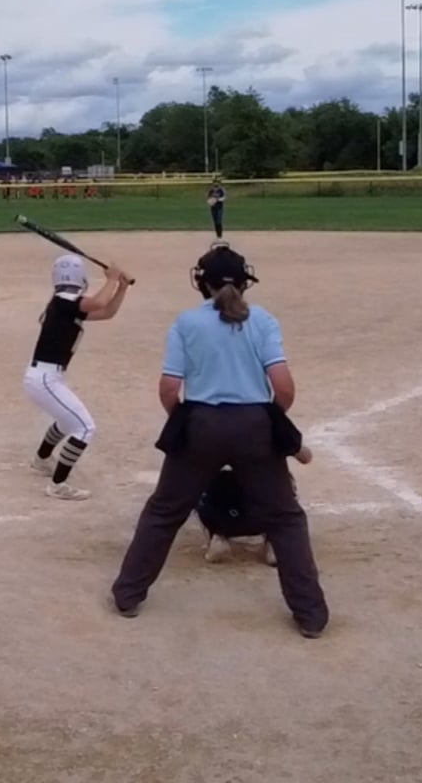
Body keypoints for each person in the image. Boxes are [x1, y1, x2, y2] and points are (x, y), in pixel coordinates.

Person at [111, 242, 328, 638]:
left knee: (164, 511)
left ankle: (128, 594)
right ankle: (311, 616)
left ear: (201, 283)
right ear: (245, 282)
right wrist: (267, 421)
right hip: (255, 425)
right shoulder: (262, 320)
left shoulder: (187, 322)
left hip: (200, 423)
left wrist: (185, 423)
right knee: (285, 518)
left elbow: (169, 388)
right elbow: (283, 388)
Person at [24, 254, 131, 500]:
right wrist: (112, 278)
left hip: (45, 377)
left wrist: (121, 288)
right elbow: (98, 302)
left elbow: (106, 312)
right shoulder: (64, 302)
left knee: (67, 421)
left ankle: (41, 459)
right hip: (44, 378)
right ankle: (58, 485)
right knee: (84, 427)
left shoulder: (64, 304)